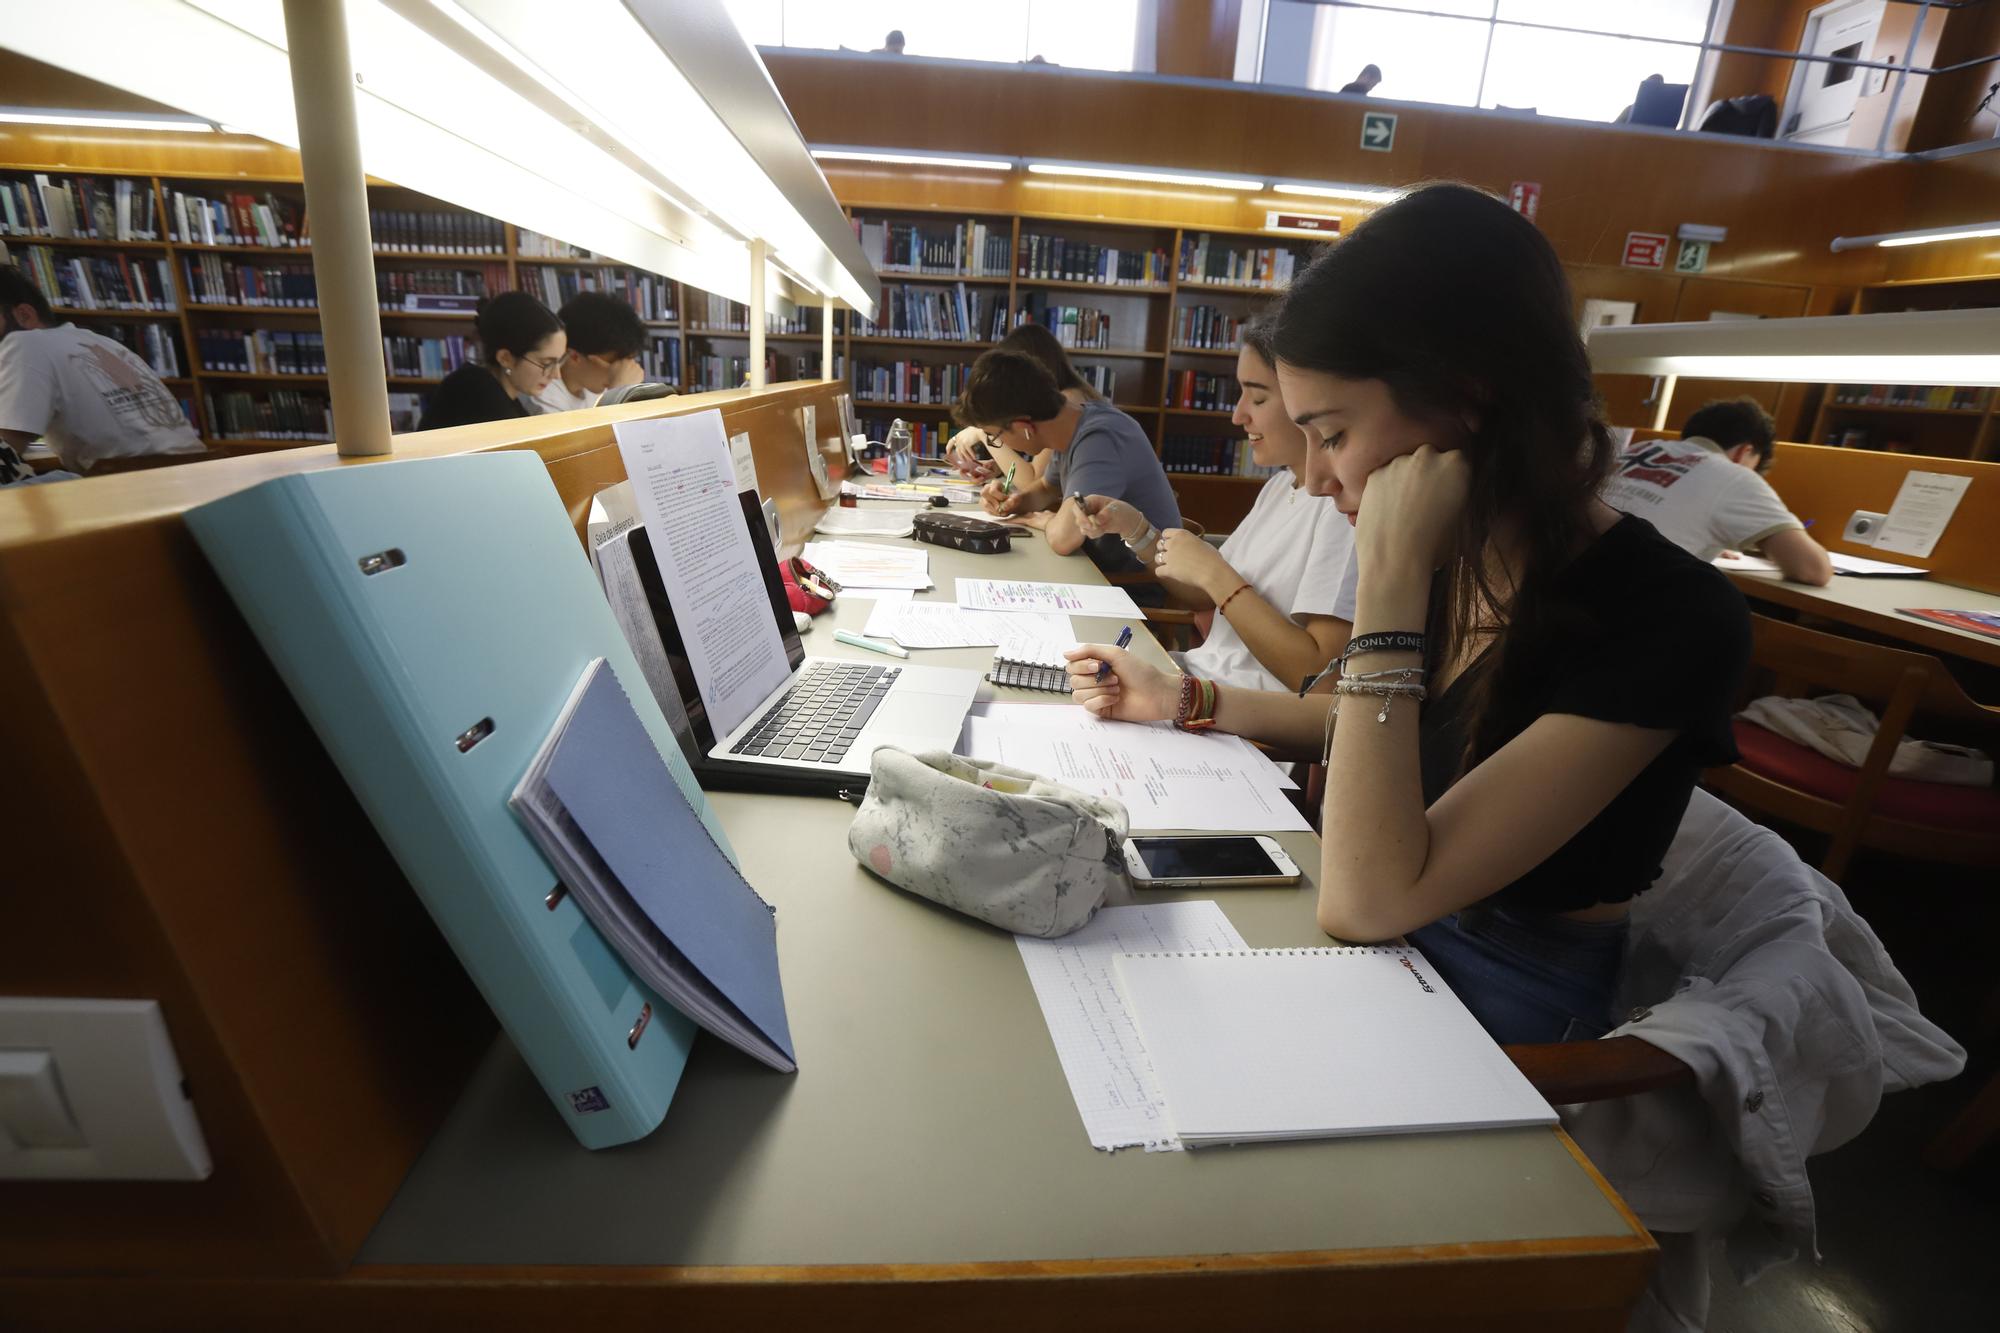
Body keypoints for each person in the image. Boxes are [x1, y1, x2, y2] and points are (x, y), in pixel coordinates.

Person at [1065, 183, 1751, 1045]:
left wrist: (1387, 584)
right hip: (1379, 928)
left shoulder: (1668, 617)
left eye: (1335, 435)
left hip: (1502, 984)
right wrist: (1184, 700)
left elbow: (1369, 899)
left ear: (1467, 403)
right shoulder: (1462, 552)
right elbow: (1362, 733)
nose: (1314, 479)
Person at [1078, 311, 1354, 692]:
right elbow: (1201, 589)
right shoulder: (1280, 487)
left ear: (1307, 401)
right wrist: (1135, 528)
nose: (1238, 414)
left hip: (1231, 714)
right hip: (1193, 681)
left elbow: (1317, 679)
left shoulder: (1343, 512)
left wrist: (1214, 573)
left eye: (1257, 397)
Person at [958, 348, 1179, 580]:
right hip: (1100, 570)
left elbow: (1064, 539)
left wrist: (1043, 520)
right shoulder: (1073, 425)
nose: (998, 442)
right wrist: (1014, 502)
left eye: (994, 435)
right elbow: (1046, 488)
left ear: (1025, 427)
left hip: (1134, 587)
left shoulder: (1099, 440)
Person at [1602, 397, 1833, 586]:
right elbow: (1812, 570)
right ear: (1745, 451)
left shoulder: (1641, 449)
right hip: (1626, 603)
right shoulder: (1735, 476)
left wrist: (1710, 536)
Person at [0, 263, 202, 476]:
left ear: (24, 315)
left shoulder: (24, 343)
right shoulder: (101, 342)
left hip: (132, 486)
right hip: (195, 476)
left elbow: (7, 449)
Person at [945, 321, 1102, 483]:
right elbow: (1048, 477)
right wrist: (999, 468)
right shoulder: (1067, 396)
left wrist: (984, 431)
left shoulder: (1067, 403)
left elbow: (1032, 480)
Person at [417, 291, 564, 431]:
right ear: (505, 358)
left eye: (560, 361)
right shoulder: (475, 392)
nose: (556, 375)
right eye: (546, 363)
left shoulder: (501, 392)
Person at [534, 291, 645, 414]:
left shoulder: (591, 385)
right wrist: (619, 393)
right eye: (615, 363)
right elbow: (600, 433)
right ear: (574, 356)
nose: (621, 371)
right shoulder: (543, 397)